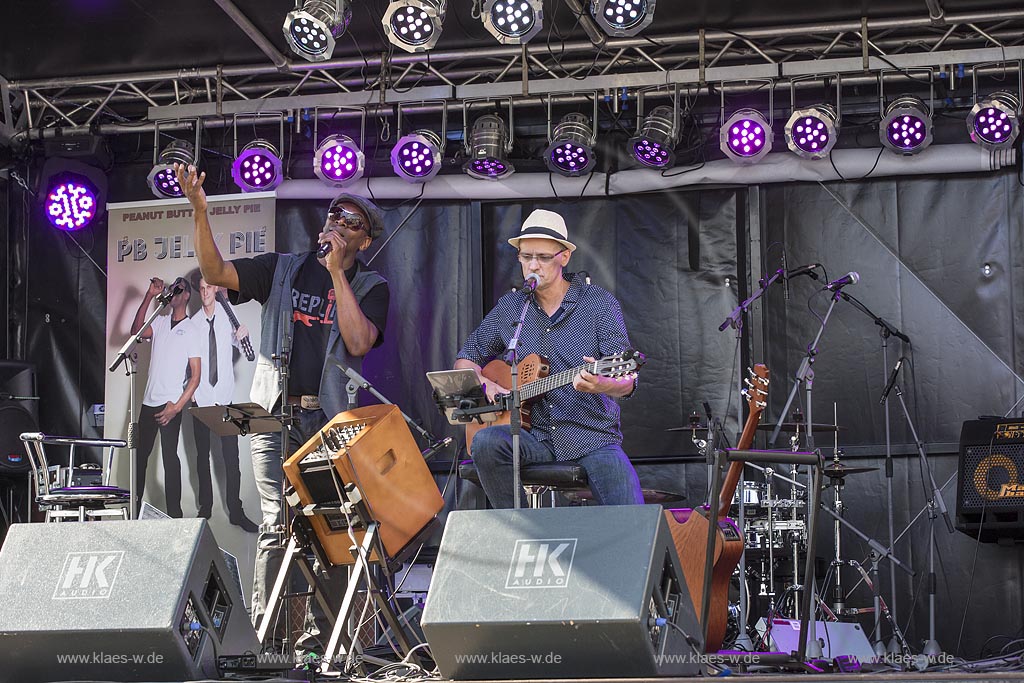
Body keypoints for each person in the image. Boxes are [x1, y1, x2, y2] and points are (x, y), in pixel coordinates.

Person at [174, 163, 390, 651]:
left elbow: (357, 342)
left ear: (364, 241)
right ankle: (266, 640)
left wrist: (337, 274)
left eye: (353, 222)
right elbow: (213, 273)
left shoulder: (372, 287)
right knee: (277, 521)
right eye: (336, 214)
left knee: (332, 523)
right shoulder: (281, 269)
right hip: (275, 413)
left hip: (329, 421)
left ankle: (329, 637)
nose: (340, 223)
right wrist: (199, 211)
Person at [455, 209, 644, 508]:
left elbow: (628, 383)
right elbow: (466, 358)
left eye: (543, 257)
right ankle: (523, 530)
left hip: (591, 438)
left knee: (632, 516)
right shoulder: (511, 308)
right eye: (526, 256)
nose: (532, 265)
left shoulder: (599, 304)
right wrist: (483, 384)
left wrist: (602, 384)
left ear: (564, 257)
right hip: (532, 437)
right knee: (485, 442)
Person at [188, 275, 259, 532]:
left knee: (232, 460)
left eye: (210, 288)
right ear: (199, 290)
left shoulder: (229, 317)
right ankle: (205, 508)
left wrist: (243, 335)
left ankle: (236, 511)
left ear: (217, 289)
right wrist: (191, 391)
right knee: (201, 458)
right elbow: (186, 361)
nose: (206, 293)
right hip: (201, 400)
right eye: (203, 288)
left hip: (226, 399)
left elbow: (247, 353)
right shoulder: (192, 324)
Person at [131, 275, 202, 517]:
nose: (174, 292)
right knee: (139, 458)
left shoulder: (192, 330)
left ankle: (175, 517)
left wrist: (177, 406)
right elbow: (135, 331)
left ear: (187, 296)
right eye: (172, 289)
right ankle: (133, 510)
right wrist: (150, 295)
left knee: (170, 459)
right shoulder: (160, 322)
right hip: (148, 402)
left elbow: (195, 377)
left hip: (170, 403)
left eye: (178, 289)